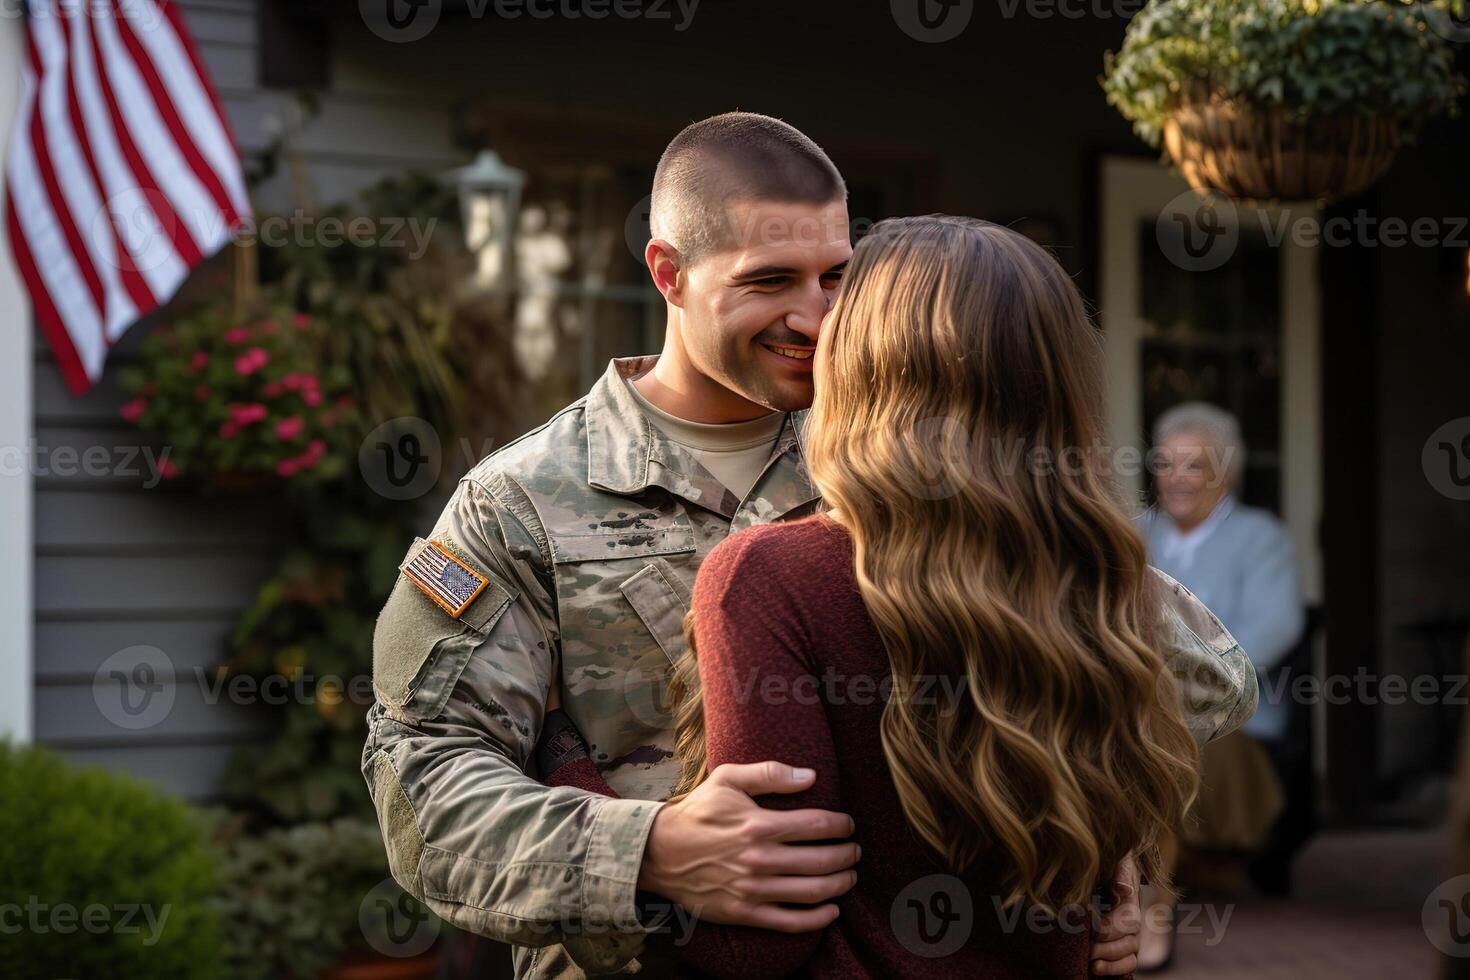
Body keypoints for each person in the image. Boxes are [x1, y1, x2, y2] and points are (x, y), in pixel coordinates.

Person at [363, 114, 1242, 978]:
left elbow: (1185, 669)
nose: (815, 317)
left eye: (836, 278)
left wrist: (1106, 854)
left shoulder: (910, 454)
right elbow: (421, 781)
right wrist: (645, 851)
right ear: (668, 274)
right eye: (771, 281)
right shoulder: (519, 503)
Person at [539, 216, 1259, 977]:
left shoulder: (776, 579)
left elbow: (754, 945)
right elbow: (1224, 686)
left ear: (864, 363)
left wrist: (558, 748)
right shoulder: (1098, 577)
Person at [1134, 402, 1307, 969]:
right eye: (1167, 465)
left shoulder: (1258, 536)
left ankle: (1154, 897)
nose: (1177, 479)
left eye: (1195, 466)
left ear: (1225, 474)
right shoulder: (1132, 534)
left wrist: (1193, 684)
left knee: (1165, 742)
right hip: (1135, 702)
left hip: (1230, 710)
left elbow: (1276, 625)